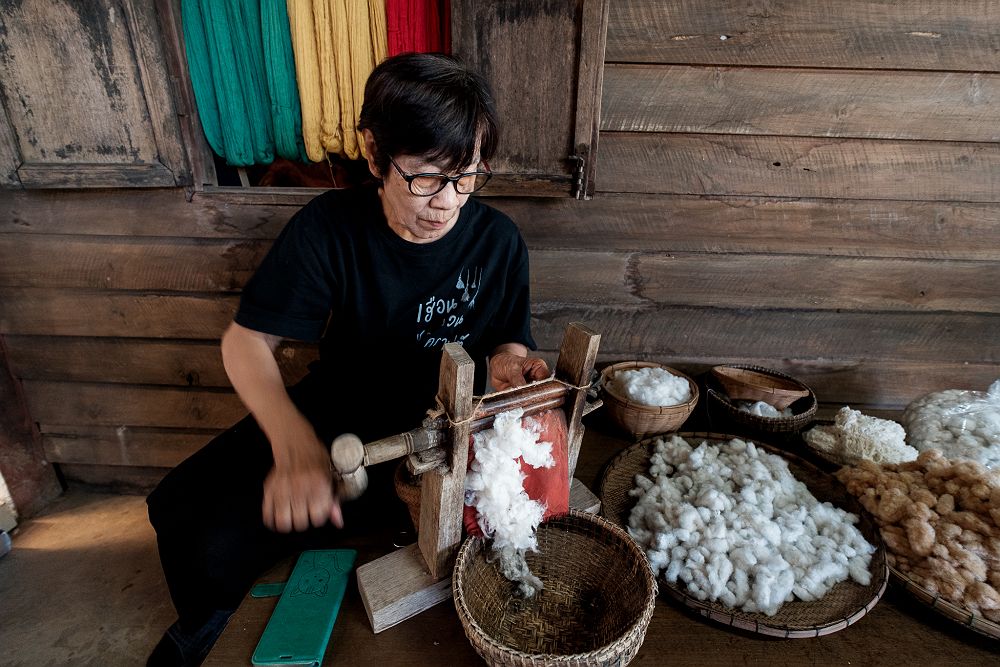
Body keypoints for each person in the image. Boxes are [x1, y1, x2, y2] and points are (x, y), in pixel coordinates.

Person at [145, 52, 550, 666]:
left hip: (439, 429)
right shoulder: (330, 228)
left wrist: (509, 368)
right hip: (339, 413)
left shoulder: (498, 241)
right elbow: (245, 343)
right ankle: (209, 625)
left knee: (385, 542)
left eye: (465, 176)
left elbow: (508, 343)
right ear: (374, 152)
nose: (446, 201)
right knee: (180, 507)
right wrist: (292, 443)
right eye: (425, 177)